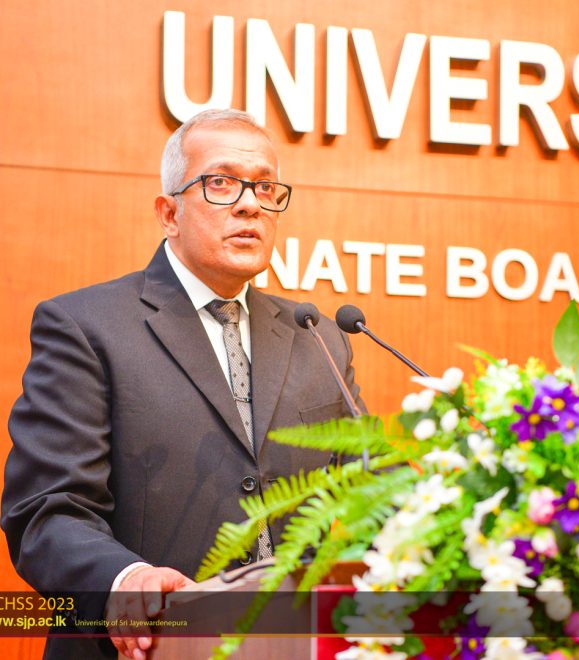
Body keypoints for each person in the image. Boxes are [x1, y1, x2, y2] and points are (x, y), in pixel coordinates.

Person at [2, 109, 363, 659]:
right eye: (221, 182)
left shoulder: (317, 336)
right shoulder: (85, 327)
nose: (250, 204)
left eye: (265, 187)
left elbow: (373, 486)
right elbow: (46, 510)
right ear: (169, 213)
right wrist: (125, 579)